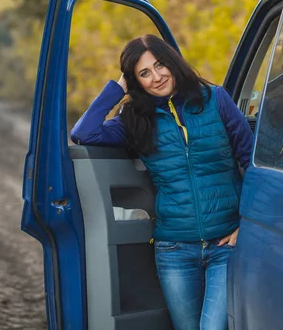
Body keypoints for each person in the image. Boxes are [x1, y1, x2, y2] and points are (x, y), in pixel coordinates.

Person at [70, 34, 253, 330]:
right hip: (174, 250)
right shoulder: (135, 119)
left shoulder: (216, 99)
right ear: (136, 81)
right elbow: (84, 132)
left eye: (160, 65)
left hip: (225, 246)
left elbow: (251, 160)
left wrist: (247, 221)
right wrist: (117, 89)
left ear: (172, 62)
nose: (156, 77)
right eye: (144, 73)